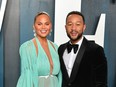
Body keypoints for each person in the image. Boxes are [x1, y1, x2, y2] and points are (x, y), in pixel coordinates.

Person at [58, 11, 107, 87]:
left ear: (84, 27)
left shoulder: (96, 50)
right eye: (70, 24)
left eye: (78, 24)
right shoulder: (61, 49)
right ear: (65, 27)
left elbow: (101, 83)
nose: (73, 28)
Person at [16, 11, 62, 87]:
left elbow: (60, 76)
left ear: (50, 26)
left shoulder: (55, 47)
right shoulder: (27, 47)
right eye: (39, 24)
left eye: (46, 24)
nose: (43, 27)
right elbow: (27, 78)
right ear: (34, 26)